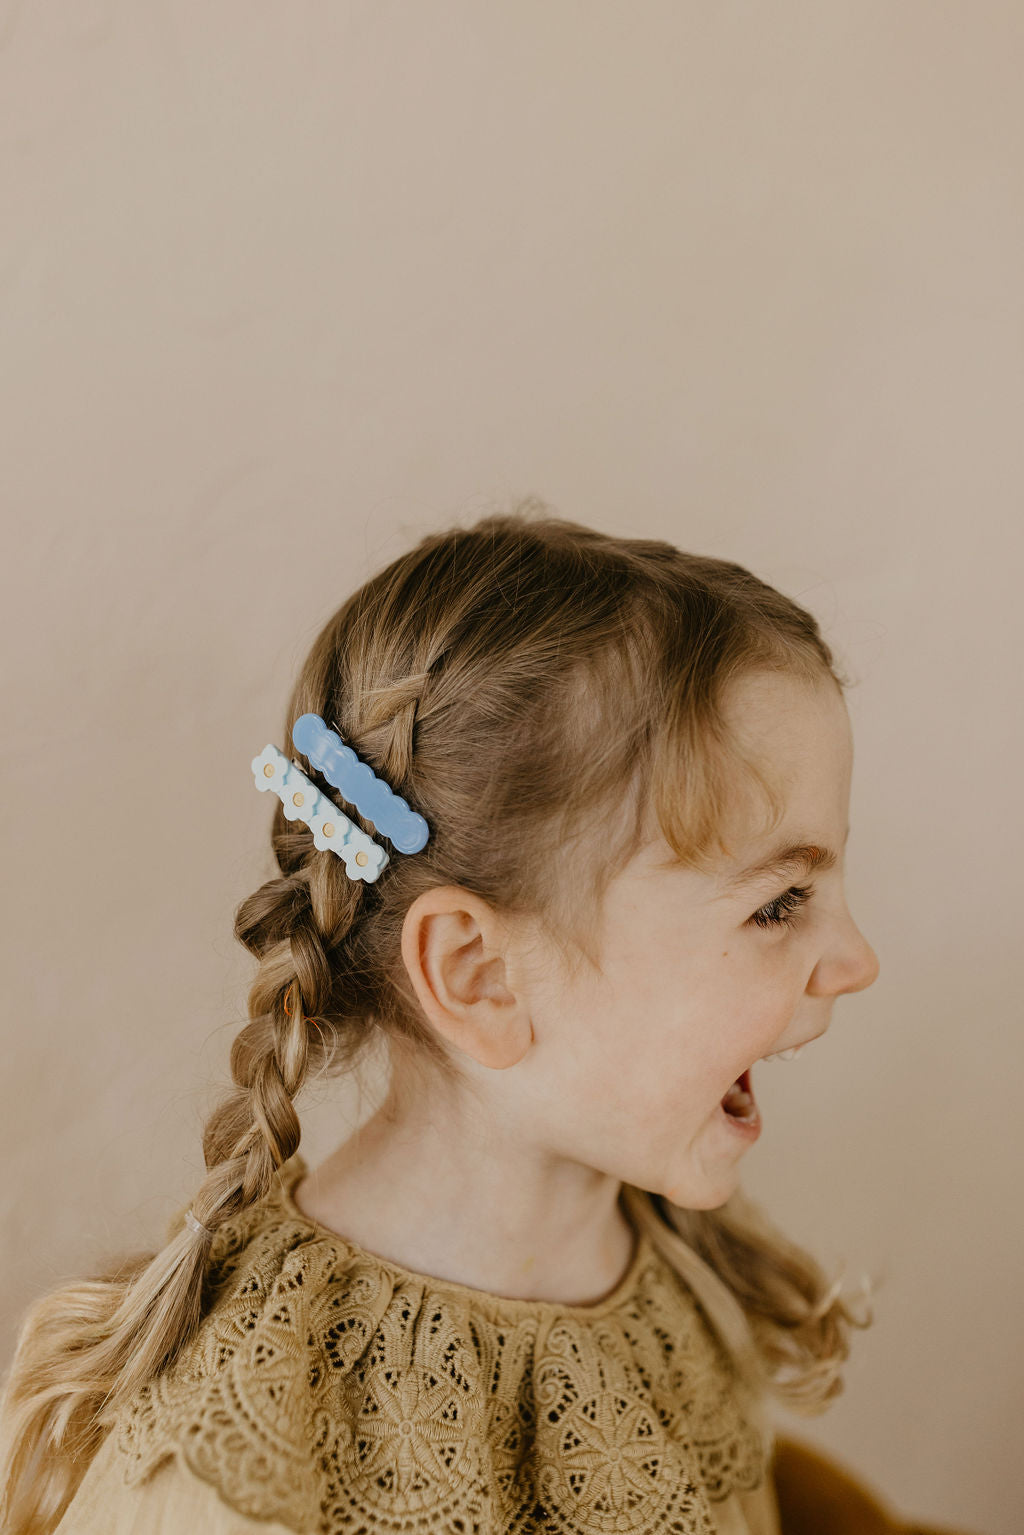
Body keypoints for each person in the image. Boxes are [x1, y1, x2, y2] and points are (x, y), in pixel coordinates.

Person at [0, 506, 885, 1534]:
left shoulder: (683, 1276)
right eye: (777, 903)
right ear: (479, 976)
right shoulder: (237, 1453)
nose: (857, 959)